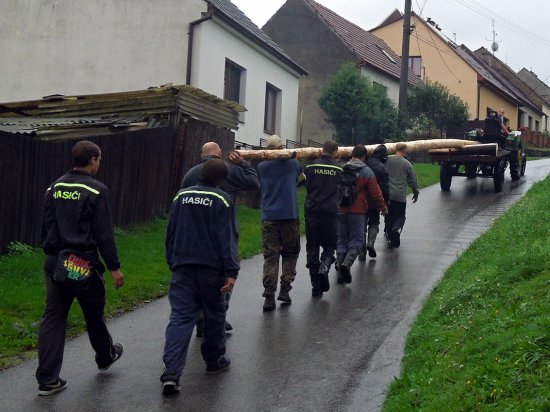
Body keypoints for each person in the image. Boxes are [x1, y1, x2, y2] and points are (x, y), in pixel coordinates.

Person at [37, 140, 124, 396]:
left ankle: (47, 379)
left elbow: (46, 225)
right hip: (80, 263)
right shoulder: (96, 190)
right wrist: (114, 267)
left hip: (55, 260)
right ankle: (105, 356)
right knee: (93, 313)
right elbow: (104, 233)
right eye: (100, 159)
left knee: (53, 317)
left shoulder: (54, 187)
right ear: (94, 159)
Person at [161, 159, 239, 395]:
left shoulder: (181, 197)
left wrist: (172, 259)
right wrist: (231, 271)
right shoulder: (223, 200)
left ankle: (171, 373)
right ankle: (214, 360)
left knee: (181, 317)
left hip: (183, 265)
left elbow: (171, 231)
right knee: (215, 315)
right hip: (210, 269)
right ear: (221, 179)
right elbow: (227, 238)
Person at [181, 141, 259, 336]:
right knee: (225, 276)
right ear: (220, 153)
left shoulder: (190, 174)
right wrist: (243, 164)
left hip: (192, 236)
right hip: (221, 232)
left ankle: (201, 319)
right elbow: (254, 183)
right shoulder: (227, 170)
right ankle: (217, 319)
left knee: (197, 280)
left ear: (202, 154)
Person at [257, 135, 302, 311]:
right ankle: (285, 288)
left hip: (269, 217)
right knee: (291, 253)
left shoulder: (262, 166)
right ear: (282, 147)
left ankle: (269, 296)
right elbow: (300, 178)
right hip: (289, 215)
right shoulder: (293, 164)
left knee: (270, 256)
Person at [337, 144, 387, 284]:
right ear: (365, 157)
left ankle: (340, 271)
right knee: (357, 241)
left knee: (341, 240)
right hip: (358, 211)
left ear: (352, 154)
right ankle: (346, 265)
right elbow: (375, 193)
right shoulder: (367, 171)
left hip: (341, 210)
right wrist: (383, 207)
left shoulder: (342, 168)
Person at [303, 140, 342, 297]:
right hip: (330, 212)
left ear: (322, 150)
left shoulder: (311, 167)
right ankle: (324, 266)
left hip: (312, 211)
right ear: (335, 152)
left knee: (312, 248)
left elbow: (300, 182)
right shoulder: (338, 169)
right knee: (330, 245)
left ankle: (315, 286)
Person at [384, 143, 419, 249]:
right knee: (400, 217)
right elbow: (412, 180)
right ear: (404, 151)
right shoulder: (407, 164)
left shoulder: (387, 160)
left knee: (389, 217)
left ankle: (390, 239)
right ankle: (397, 229)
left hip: (388, 195)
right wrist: (415, 192)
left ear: (395, 149)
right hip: (400, 196)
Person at [359, 144, 390, 260]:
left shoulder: (364, 163)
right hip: (375, 200)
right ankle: (370, 243)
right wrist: (385, 203)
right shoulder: (382, 168)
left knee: (361, 225)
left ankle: (361, 251)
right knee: (374, 223)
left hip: (361, 200)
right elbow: (385, 188)